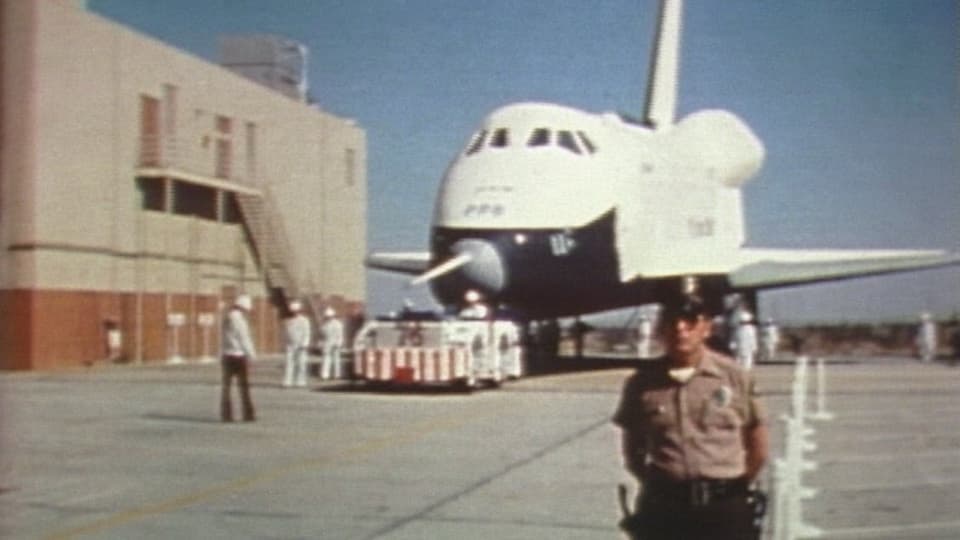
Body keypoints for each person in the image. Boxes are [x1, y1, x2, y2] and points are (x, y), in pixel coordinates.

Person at [612, 294, 769, 540]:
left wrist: (730, 487)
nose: (680, 328)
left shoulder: (734, 377)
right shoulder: (641, 384)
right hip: (665, 509)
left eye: (690, 320)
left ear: (706, 327)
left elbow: (757, 446)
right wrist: (666, 487)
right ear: (660, 330)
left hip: (725, 510)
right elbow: (632, 453)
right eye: (672, 321)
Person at [221, 294, 257, 422]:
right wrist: (251, 354)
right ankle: (248, 413)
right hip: (238, 355)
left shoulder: (227, 317)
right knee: (244, 387)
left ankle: (226, 414)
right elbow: (244, 338)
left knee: (226, 387)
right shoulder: (239, 320)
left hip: (226, 354)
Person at [283, 300, 312, 388]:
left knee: (301, 363)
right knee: (289, 363)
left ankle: (300, 381)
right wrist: (286, 343)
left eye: (296, 311)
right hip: (291, 344)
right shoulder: (288, 321)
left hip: (301, 344)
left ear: (299, 311)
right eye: (293, 311)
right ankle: (287, 381)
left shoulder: (304, 320)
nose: (294, 313)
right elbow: (286, 333)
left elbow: (307, 333)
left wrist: (304, 344)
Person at [320, 307, 344, 380]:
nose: (328, 317)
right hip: (327, 343)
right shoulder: (324, 324)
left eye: (329, 316)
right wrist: (321, 343)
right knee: (326, 359)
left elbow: (340, 335)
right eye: (327, 316)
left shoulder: (338, 324)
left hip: (335, 343)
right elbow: (322, 335)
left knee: (336, 359)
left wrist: (339, 343)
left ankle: (337, 374)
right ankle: (325, 375)